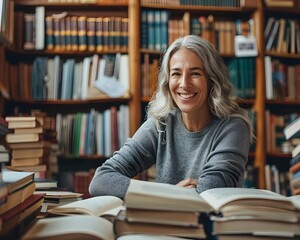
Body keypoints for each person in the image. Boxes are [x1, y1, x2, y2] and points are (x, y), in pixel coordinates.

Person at [89, 35, 254, 199]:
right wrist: (166, 194)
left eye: (195, 73)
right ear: (167, 81)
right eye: (176, 74)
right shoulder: (161, 124)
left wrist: (163, 196)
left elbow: (209, 193)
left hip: (213, 224)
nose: (184, 84)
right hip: (165, 223)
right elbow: (101, 180)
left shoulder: (233, 127)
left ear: (211, 80)